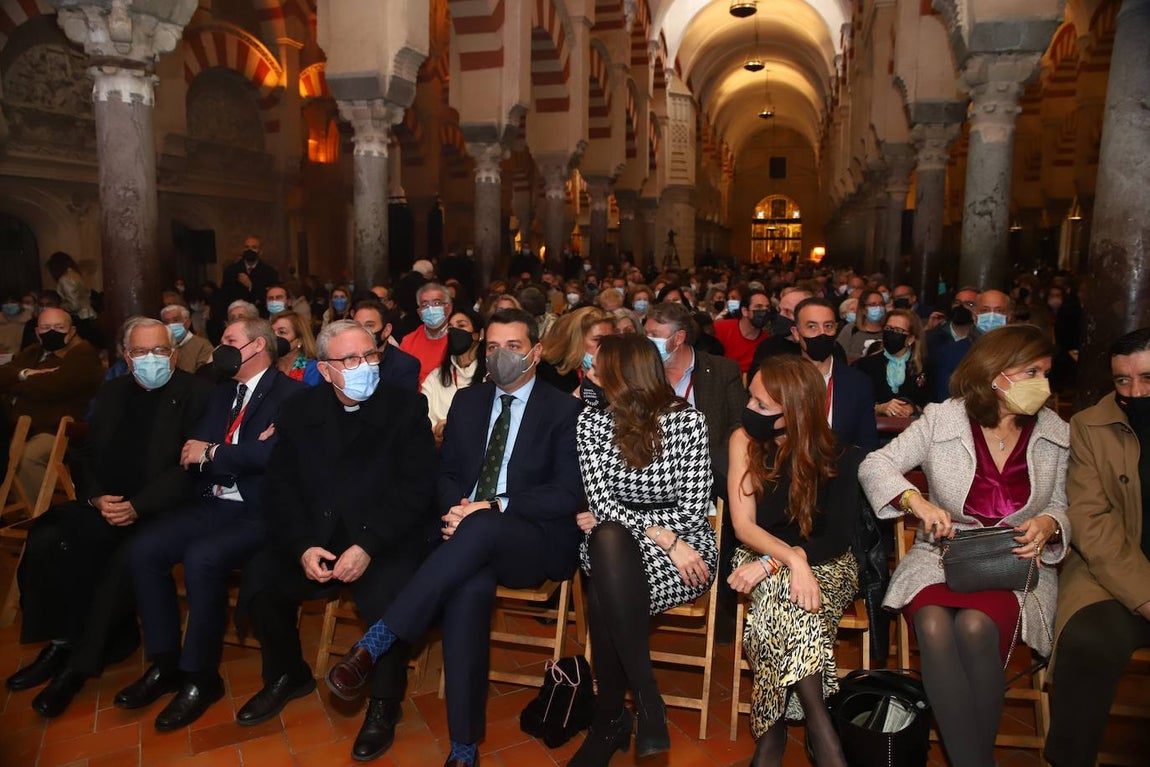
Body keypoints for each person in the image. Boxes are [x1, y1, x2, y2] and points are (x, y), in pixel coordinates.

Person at [324, 308, 584, 767]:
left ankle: (376, 642)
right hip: (464, 538)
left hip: (530, 541)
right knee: (466, 593)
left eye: (514, 347)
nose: (500, 355)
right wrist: (455, 510)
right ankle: (464, 748)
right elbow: (445, 474)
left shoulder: (564, 410)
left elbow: (567, 492)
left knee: (481, 527)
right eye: (492, 347)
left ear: (537, 353)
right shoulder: (468, 402)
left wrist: (491, 507)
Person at [857, 324, 1070, 767]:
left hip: (1015, 560)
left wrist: (1050, 521)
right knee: (933, 624)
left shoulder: (1053, 429)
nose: (1042, 385)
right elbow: (876, 464)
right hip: (943, 555)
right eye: (1031, 371)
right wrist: (916, 501)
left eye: (1046, 374)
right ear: (996, 371)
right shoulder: (944, 418)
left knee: (975, 627)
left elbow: (1066, 503)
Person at [236, 321, 437, 761]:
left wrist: (367, 545)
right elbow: (281, 489)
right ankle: (288, 674)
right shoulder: (300, 410)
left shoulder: (406, 407)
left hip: (383, 536)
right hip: (318, 535)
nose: (364, 366)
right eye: (350, 360)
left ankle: (385, 704)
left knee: (389, 592)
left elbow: (416, 490)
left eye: (370, 356)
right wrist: (302, 545)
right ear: (325, 370)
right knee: (262, 578)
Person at [5, 318, 211, 717]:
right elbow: (87, 454)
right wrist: (98, 498)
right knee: (49, 538)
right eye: (139, 352)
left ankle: (78, 667)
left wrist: (137, 506)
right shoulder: (113, 391)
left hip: (160, 508)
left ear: (172, 353)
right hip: (107, 503)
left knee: (124, 558)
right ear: (125, 357)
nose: (150, 358)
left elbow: (188, 469)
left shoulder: (197, 393)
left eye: (158, 350)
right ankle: (61, 640)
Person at [116, 318, 304, 731]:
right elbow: (191, 452)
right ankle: (165, 662)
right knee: (144, 549)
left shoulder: (293, 393)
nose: (222, 348)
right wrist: (238, 452)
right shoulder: (220, 394)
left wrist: (217, 453)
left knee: (202, 558)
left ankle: (201, 677)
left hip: (259, 511)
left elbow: (273, 458)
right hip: (212, 501)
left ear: (257, 346)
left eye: (229, 340)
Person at [569, 334, 717, 765]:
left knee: (604, 571)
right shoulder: (591, 422)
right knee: (607, 541)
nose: (589, 377)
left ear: (624, 376)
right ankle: (648, 700)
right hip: (642, 542)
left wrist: (663, 536)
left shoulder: (687, 421)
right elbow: (599, 502)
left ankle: (610, 719)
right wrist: (656, 531)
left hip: (685, 549)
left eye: (598, 370)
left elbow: (692, 512)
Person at [726, 354, 862, 767]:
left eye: (763, 406)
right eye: (752, 398)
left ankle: (772, 731)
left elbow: (837, 538)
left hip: (830, 564)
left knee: (777, 601)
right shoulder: (743, 441)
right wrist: (788, 561)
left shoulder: (841, 454)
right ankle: (824, 734)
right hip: (761, 550)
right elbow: (744, 526)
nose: (750, 410)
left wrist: (782, 563)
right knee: (785, 599)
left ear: (796, 411)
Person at [1044, 328, 1150, 767]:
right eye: (1122, 380)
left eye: (1147, 378)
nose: (1135, 391)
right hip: (1111, 572)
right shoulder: (1090, 425)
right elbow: (1091, 520)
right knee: (1088, 642)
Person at [0, 308, 103, 495]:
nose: (52, 332)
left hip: (55, 430)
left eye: (59, 327)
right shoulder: (33, 352)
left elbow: (53, 387)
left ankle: (39, 516)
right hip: (13, 426)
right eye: (46, 327)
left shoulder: (83, 354)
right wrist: (25, 374)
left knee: (27, 458)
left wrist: (14, 382)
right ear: (38, 332)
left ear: (71, 331)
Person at [790, 298, 878, 451]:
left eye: (828, 326)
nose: (822, 333)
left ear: (836, 330)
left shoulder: (858, 384)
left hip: (842, 468)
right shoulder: (780, 380)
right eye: (812, 326)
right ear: (796, 333)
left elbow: (867, 446)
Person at [422, 308, 486, 443]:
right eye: (451, 328)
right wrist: (437, 429)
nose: (455, 332)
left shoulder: (490, 375)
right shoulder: (436, 376)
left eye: (461, 325)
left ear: (479, 334)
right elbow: (422, 416)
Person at [853, 308, 930, 417]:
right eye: (888, 328)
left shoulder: (925, 366)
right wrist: (879, 408)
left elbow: (932, 403)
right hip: (876, 429)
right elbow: (856, 403)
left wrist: (913, 408)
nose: (891, 333)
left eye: (898, 331)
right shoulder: (865, 365)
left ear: (910, 339)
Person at [537, 306, 615, 395]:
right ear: (577, 340)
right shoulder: (547, 371)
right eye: (597, 340)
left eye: (610, 340)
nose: (605, 346)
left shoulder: (617, 369)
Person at [353, 301, 421, 390]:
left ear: (386, 330)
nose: (362, 331)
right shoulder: (343, 359)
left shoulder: (405, 365)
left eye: (369, 325)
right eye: (357, 326)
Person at [399, 282, 453, 386]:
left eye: (437, 303)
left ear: (449, 308)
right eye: (425, 305)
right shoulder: (408, 342)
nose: (431, 309)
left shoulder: (458, 339)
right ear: (419, 312)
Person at [712, 289, 771, 375]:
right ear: (745, 311)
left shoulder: (767, 341)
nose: (764, 311)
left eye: (767, 307)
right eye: (758, 307)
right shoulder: (720, 328)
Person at [220, 236, 280, 316]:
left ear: (260, 251)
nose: (249, 250)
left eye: (254, 247)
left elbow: (270, 297)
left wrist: (251, 286)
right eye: (247, 247)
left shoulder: (270, 272)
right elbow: (225, 296)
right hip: (237, 315)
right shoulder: (231, 271)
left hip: (260, 315)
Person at [45, 251, 98, 341]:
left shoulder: (65, 279)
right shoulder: (75, 275)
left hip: (78, 319)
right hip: (88, 316)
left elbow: (74, 305)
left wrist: (58, 306)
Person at [271, 310, 322, 385]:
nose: (274, 337)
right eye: (271, 332)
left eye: (282, 332)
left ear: (300, 340)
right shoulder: (267, 365)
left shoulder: (313, 370)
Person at [160, 303, 213, 375]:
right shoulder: (161, 346)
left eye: (175, 320)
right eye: (166, 322)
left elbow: (205, 375)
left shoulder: (203, 345)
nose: (170, 325)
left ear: (187, 323)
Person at [836, 289, 885, 361]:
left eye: (881, 304)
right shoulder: (851, 329)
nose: (878, 308)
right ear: (863, 309)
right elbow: (838, 356)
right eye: (873, 304)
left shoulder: (888, 330)